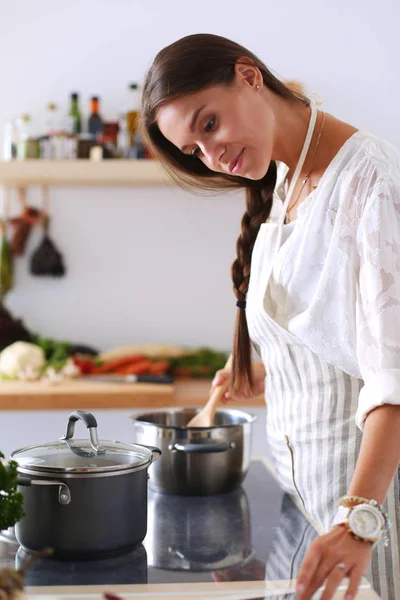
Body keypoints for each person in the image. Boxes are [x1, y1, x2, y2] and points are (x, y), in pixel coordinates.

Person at [140, 33, 400, 600]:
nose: (211, 157)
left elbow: (394, 378)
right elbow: (341, 336)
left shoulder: (370, 181)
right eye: (195, 150)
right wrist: (274, 373)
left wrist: (357, 522)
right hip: (303, 498)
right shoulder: (286, 178)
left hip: (361, 506)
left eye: (208, 125)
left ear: (250, 75)